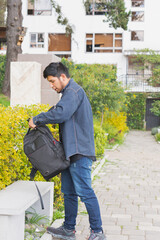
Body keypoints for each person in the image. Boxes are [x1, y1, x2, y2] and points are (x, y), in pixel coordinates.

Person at [29, 62, 106, 240]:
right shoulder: (68, 94)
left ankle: (97, 232)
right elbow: (60, 113)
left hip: (79, 152)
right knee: (69, 193)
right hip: (70, 152)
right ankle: (68, 229)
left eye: (52, 81)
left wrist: (38, 119)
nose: (51, 85)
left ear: (63, 77)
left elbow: (61, 114)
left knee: (85, 192)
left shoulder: (73, 92)